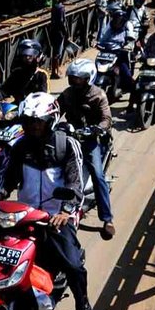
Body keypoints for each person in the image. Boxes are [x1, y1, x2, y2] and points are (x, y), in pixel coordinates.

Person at [0, 92, 96, 310]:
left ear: (50, 120)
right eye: (28, 121)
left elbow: (75, 184)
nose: (32, 126)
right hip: (24, 214)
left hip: (55, 219)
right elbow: (6, 179)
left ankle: (83, 307)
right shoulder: (20, 147)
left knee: (73, 266)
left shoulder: (66, 146)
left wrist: (66, 211)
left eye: (37, 121)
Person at [58, 59, 115, 241]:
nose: (75, 82)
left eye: (79, 79)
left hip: (91, 140)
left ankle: (107, 219)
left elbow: (107, 118)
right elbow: (55, 109)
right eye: (72, 78)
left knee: (97, 175)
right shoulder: (67, 94)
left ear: (89, 78)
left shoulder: (98, 95)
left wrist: (97, 128)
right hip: (70, 138)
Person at [0, 39, 48, 104]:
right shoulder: (17, 73)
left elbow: (44, 96)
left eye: (30, 56)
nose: (26, 59)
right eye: (24, 56)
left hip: (35, 108)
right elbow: (5, 90)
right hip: (19, 106)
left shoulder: (42, 75)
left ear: (37, 57)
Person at [98, 8, 136, 93]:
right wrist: (98, 43)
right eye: (115, 19)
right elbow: (103, 38)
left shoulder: (127, 26)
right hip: (107, 53)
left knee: (127, 74)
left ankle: (129, 92)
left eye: (119, 19)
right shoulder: (110, 26)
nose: (117, 22)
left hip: (120, 54)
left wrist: (128, 46)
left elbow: (131, 39)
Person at [50, 0, 69, 80]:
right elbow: (62, 21)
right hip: (59, 33)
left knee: (55, 52)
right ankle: (55, 72)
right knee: (58, 53)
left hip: (53, 31)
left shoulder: (54, 6)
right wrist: (65, 32)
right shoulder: (61, 8)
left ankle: (55, 70)